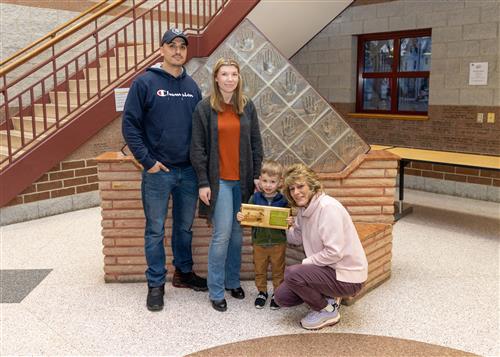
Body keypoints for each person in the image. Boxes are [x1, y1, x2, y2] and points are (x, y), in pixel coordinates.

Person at [122, 28, 207, 312]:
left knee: (184, 228)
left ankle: (183, 273)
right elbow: (130, 125)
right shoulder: (144, 83)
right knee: (155, 230)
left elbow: (199, 130)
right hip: (158, 172)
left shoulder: (193, 87)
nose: (178, 50)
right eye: (172, 45)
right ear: (161, 50)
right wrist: (147, 161)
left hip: (188, 172)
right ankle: (155, 283)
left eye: (182, 46)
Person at [190, 58, 263, 312]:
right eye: (225, 74)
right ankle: (216, 290)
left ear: (239, 78)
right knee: (221, 236)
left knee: (236, 236)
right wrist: (202, 182)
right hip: (218, 183)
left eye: (234, 74)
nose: (230, 78)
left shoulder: (247, 106)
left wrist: (256, 176)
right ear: (216, 78)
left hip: (242, 183)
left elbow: (256, 144)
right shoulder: (204, 108)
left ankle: (233, 281)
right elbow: (197, 149)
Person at [274, 163, 368, 330]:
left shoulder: (327, 208)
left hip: (347, 275)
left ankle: (327, 310)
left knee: (293, 273)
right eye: (291, 189)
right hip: (327, 270)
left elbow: (334, 253)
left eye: (300, 186)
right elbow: (295, 239)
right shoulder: (304, 210)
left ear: (312, 185)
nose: (296, 192)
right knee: (282, 297)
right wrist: (288, 226)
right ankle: (328, 295)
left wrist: (305, 264)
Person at [236, 160, 288, 310]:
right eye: (265, 181)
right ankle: (262, 292)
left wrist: (290, 220)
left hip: (278, 242)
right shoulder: (255, 198)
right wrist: (241, 216)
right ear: (259, 180)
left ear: (280, 183)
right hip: (259, 242)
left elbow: (289, 220)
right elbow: (247, 218)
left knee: (278, 270)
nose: (268, 185)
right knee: (260, 269)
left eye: (272, 182)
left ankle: (277, 294)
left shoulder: (284, 200)